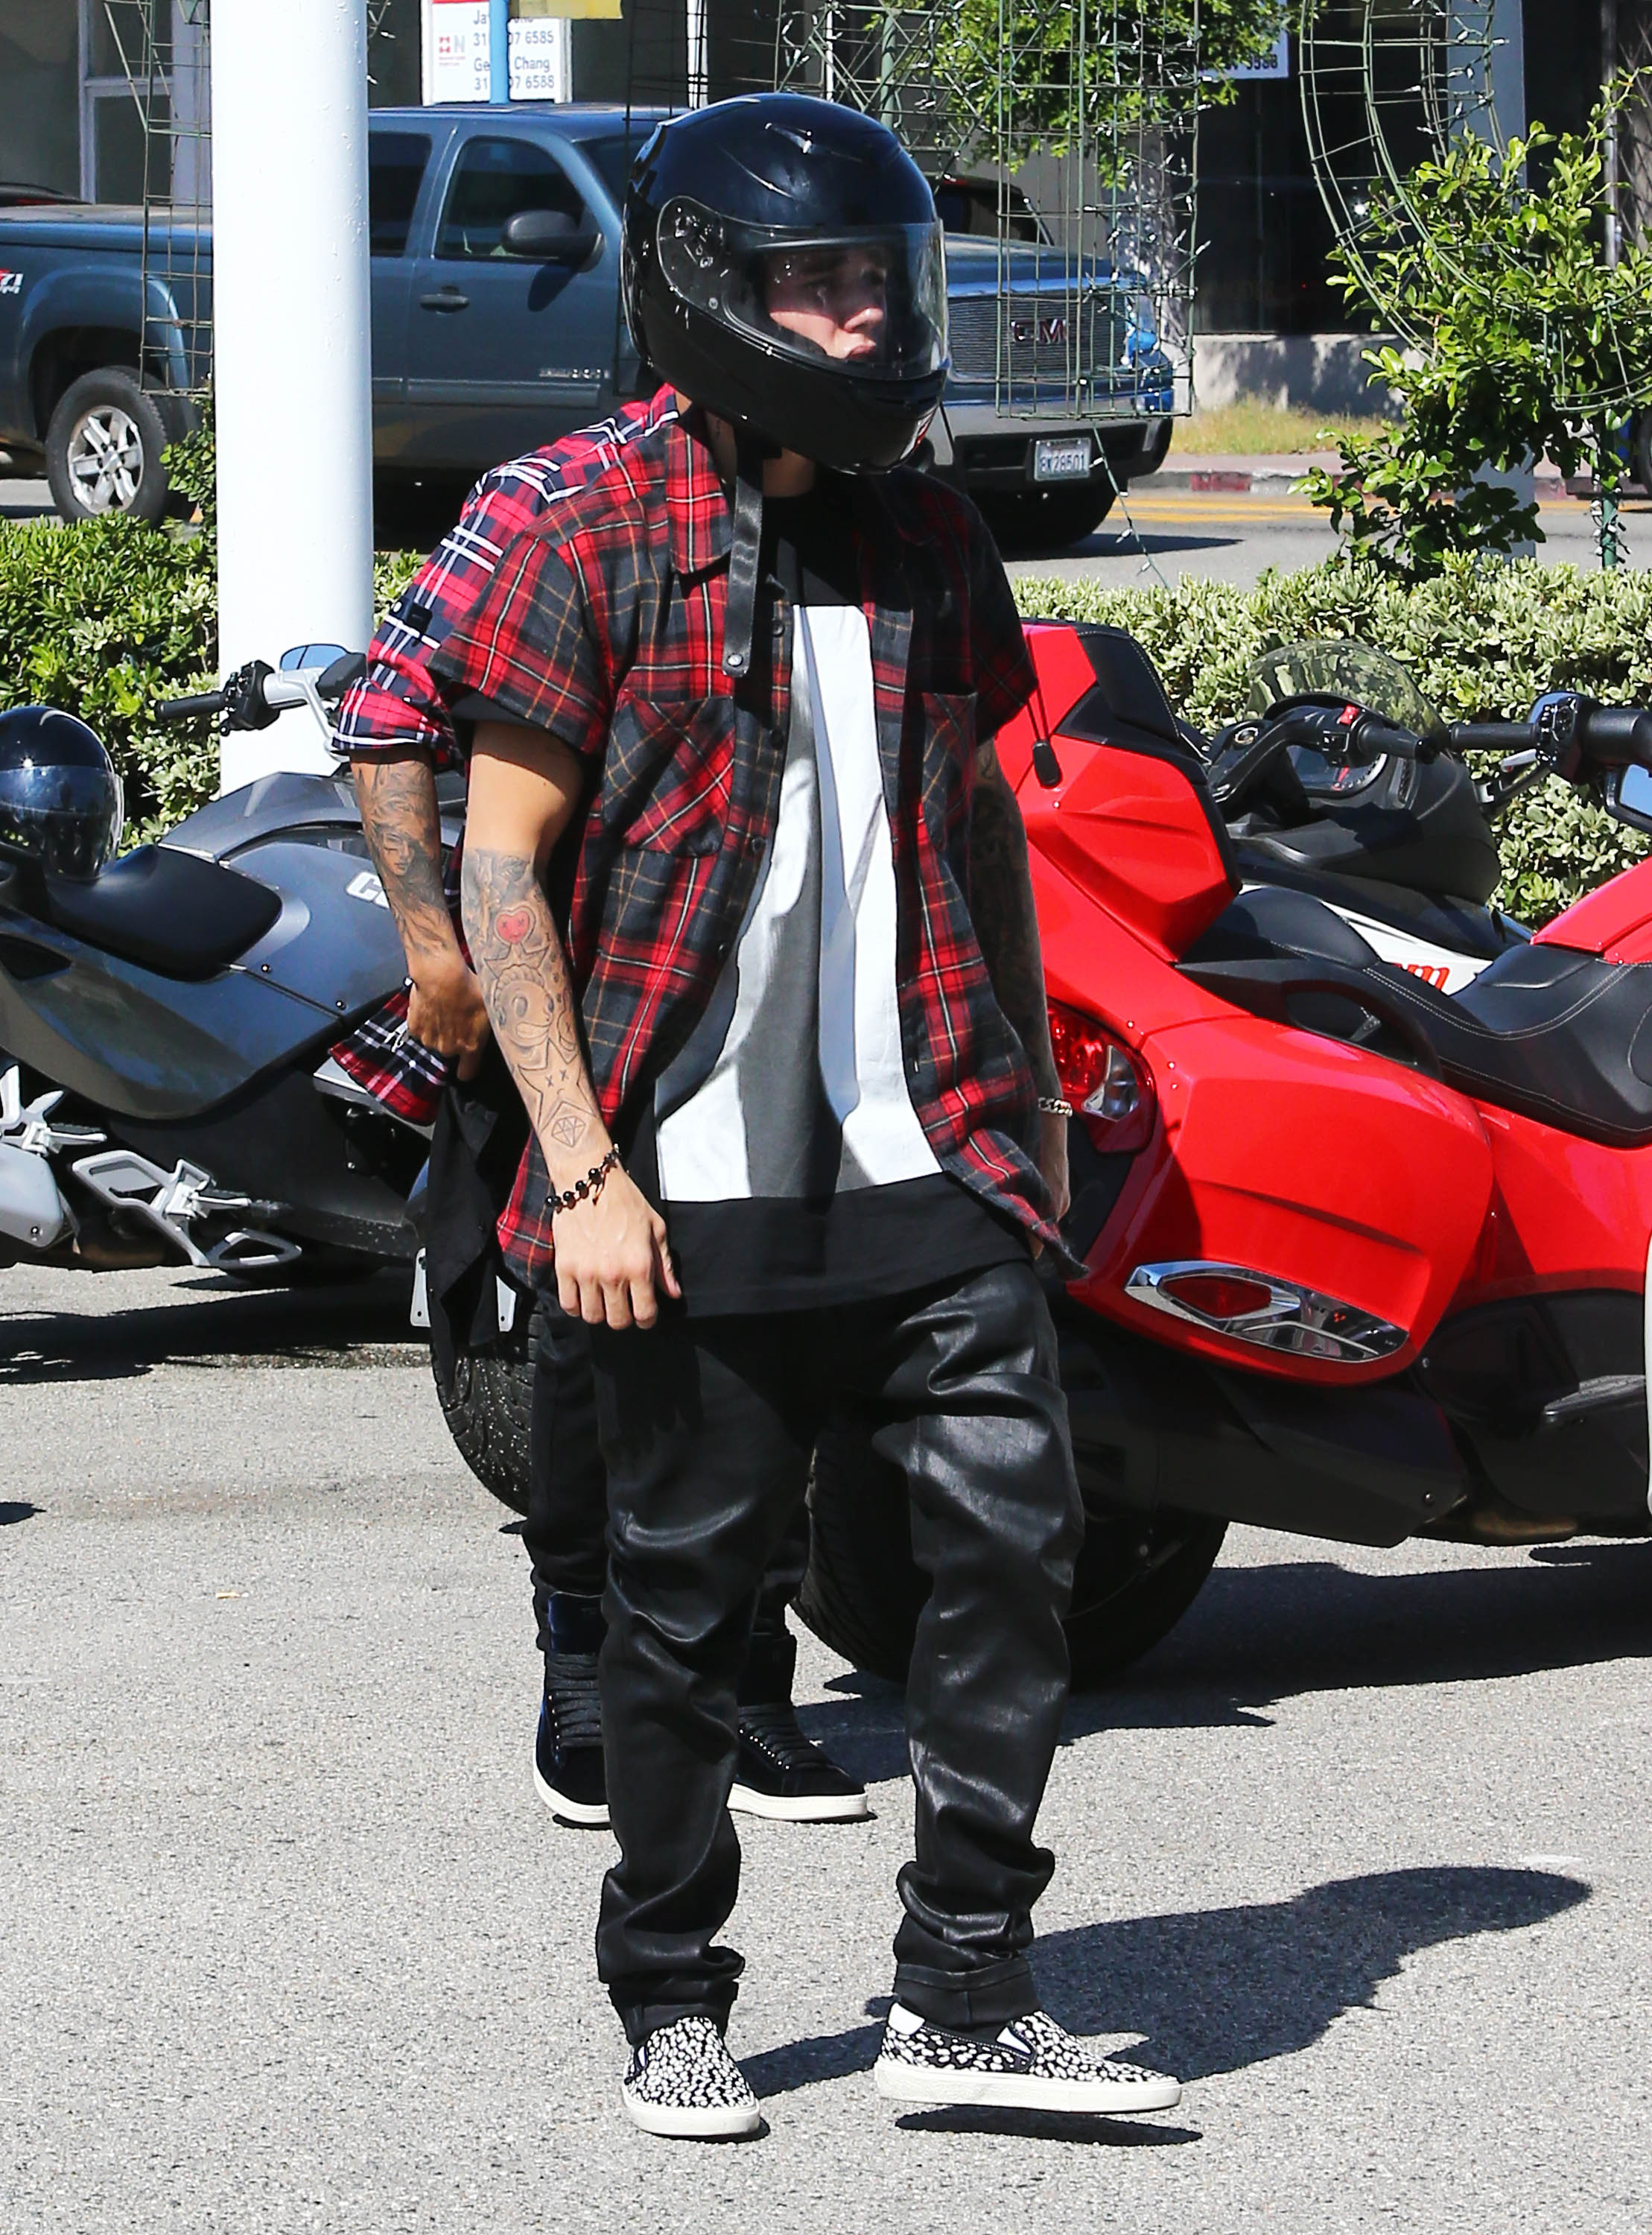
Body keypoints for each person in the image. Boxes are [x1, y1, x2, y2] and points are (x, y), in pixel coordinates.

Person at [433, 91, 1182, 2138]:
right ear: (706, 289)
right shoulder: (579, 521)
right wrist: (580, 1166)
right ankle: (671, 1998)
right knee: (684, 1619)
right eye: (814, 283)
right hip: (680, 1175)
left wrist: (1029, 1110)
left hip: (929, 1149)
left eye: (877, 277)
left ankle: (967, 1992)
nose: (862, 315)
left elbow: (976, 827)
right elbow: (500, 872)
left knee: (1014, 1554)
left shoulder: (928, 529)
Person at [332, 402, 868, 1830]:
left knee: (779, 1327)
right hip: (582, 987)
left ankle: (748, 1673)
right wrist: (437, 953)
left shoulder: (865, 490)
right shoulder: (554, 499)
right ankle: (581, 1660)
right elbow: (386, 714)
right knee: (591, 1331)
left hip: (789, 988)